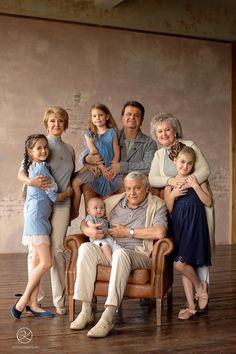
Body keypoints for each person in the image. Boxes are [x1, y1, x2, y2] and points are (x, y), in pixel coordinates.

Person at [70, 171, 167, 338]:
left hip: (138, 254)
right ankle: (86, 311)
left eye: (137, 188)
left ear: (147, 188)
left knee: (121, 254)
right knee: (85, 248)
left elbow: (160, 232)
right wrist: (87, 229)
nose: (132, 193)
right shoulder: (114, 202)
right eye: (128, 188)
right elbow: (88, 217)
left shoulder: (157, 204)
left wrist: (128, 232)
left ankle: (108, 317)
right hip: (110, 249)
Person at [17, 107, 75, 315]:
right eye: (52, 121)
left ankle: (59, 300)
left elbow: (70, 177)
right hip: (40, 205)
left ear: (65, 124)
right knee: (36, 253)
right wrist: (31, 181)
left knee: (57, 250)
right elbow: (21, 173)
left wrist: (87, 167)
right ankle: (36, 300)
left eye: (60, 121)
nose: (56, 124)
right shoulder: (39, 144)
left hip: (61, 205)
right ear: (46, 123)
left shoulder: (69, 149)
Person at [148, 112, 215, 285]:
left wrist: (185, 184)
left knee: (199, 247)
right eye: (159, 131)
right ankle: (192, 295)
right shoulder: (159, 155)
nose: (163, 134)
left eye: (167, 130)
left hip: (196, 205)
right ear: (156, 135)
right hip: (175, 210)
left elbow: (204, 171)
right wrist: (170, 181)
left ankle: (203, 291)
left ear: (175, 131)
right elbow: (152, 179)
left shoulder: (189, 145)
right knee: (181, 254)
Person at [164, 145, 212, 320]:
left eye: (189, 164)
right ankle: (191, 306)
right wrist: (173, 194)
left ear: (193, 165)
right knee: (184, 266)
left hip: (195, 226)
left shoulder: (199, 180)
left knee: (181, 264)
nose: (185, 167)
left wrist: (195, 186)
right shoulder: (170, 184)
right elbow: (168, 209)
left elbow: (208, 202)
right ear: (176, 161)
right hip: (178, 227)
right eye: (182, 162)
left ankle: (200, 287)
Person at [78, 101, 157, 201]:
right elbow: (89, 149)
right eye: (128, 114)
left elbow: (149, 166)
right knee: (88, 184)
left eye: (136, 115)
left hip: (132, 185)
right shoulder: (111, 135)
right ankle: (92, 216)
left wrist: (122, 167)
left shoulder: (149, 143)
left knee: (124, 184)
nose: (132, 117)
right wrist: (86, 159)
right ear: (122, 117)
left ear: (141, 120)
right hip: (107, 177)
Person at [70, 103, 123, 219]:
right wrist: (102, 168)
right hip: (97, 167)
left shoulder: (112, 132)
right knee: (75, 183)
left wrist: (113, 165)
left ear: (107, 116)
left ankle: (105, 222)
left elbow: (116, 150)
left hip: (109, 169)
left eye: (100, 115)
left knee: (107, 197)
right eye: (94, 116)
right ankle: (74, 211)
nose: (97, 118)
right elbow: (93, 152)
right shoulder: (89, 134)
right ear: (91, 118)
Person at [85, 197, 120, 263]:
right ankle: (111, 262)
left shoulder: (105, 219)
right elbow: (88, 222)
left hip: (109, 238)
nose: (99, 210)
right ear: (89, 211)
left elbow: (109, 228)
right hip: (98, 240)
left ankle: (118, 262)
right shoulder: (91, 217)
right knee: (105, 247)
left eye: (101, 208)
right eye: (96, 208)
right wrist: (93, 225)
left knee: (117, 248)